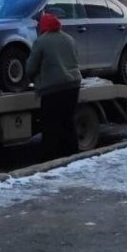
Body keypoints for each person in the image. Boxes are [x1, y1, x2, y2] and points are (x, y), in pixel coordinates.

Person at [26, 12, 83, 152]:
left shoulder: (41, 41)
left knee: (50, 126)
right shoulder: (70, 39)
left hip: (52, 89)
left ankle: (50, 158)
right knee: (68, 123)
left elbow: (30, 68)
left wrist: (34, 79)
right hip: (72, 86)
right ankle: (72, 155)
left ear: (43, 26)